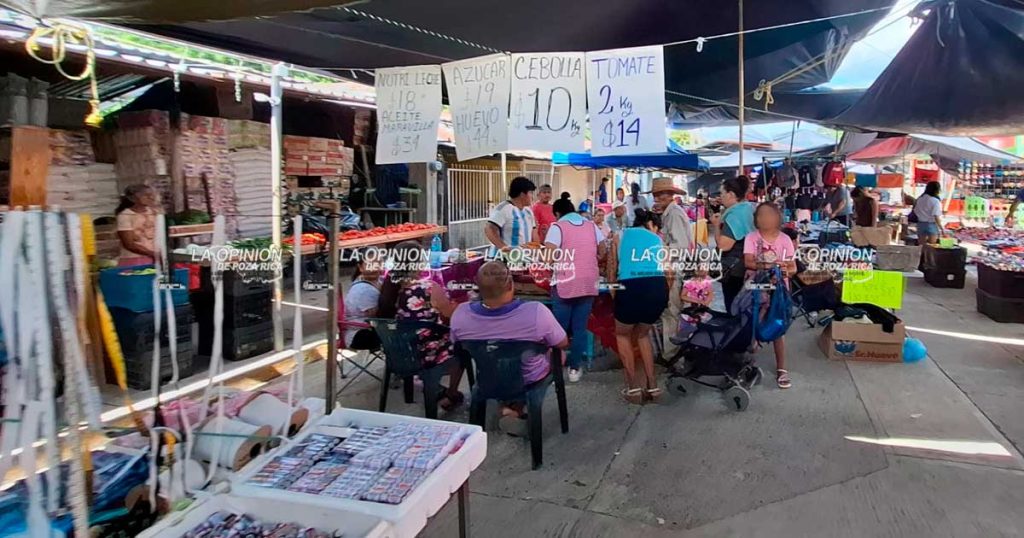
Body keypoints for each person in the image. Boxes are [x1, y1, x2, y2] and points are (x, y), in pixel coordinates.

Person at [449, 261, 568, 436]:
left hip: (487, 378)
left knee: (498, 359)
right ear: (511, 284)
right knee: (559, 354)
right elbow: (562, 342)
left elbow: (457, 346)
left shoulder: (461, 314)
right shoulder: (536, 312)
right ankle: (516, 408)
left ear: (477, 286)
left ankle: (509, 407)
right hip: (528, 379)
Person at [377, 241, 466, 409]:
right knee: (463, 346)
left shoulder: (388, 288)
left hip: (398, 352)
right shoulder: (429, 288)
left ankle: (436, 390)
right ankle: (451, 394)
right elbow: (450, 314)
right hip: (426, 352)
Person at [610, 209, 667, 403]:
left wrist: (613, 292)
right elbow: (666, 270)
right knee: (643, 335)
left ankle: (633, 388)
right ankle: (653, 386)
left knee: (622, 334)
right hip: (657, 289)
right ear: (652, 225)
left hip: (631, 287)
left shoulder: (620, 235)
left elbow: (612, 269)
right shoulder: (657, 240)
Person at [544, 197, 604, 383]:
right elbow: (602, 249)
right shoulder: (591, 225)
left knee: (559, 329)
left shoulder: (557, 227)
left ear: (558, 213)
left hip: (565, 282)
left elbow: (549, 257)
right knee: (580, 328)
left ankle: (555, 367)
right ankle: (574, 369)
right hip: (588, 283)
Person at [744, 203, 797, 389]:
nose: (765, 219)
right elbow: (748, 262)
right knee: (752, 322)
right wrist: (769, 266)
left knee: (778, 328)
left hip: (779, 291)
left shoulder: (785, 240)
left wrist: (784, 269)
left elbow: (793, 267)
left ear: (778, 217)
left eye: (769, 214)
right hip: (756, 288)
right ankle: (748, 361)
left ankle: (782, 368)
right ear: (756, 219)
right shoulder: (751, 238)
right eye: (761, 215)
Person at [648, 177, 693, 361]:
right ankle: (672, 353)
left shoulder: (674, 214)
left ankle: (671, 355)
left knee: (671, 313)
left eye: (662, 194)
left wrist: (658, 249)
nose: (658, 198)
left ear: (671, 195)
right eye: (656, 194)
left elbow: (681, 246)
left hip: (674, 269)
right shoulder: (669, 213)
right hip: (672, 267)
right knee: (670, 313)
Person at [710, 176, 756, 311]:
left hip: (735, 269)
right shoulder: (749, 208)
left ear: (731, 194)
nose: (721, 197)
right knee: (746, 305)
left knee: (734, 306)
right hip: (749, 265)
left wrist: (716, 226)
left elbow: (724, 246)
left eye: (722, 193)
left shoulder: (735, 215)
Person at [486, 176, 538, 256]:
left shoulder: (528, 211)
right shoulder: (503, 208)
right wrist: (504, 249)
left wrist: (536, 250)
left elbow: (534, 233)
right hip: (505, 260)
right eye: (530, 193)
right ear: (522, 194)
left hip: (525, 258)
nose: (532, 197)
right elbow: (489, 229)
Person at [343, 248, 381, 350]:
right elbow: (378, 317)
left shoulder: (377, 281)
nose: (374, 268)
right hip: (359, 335)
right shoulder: (364, 290)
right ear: (360, 267)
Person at [116, 184, 159, 266]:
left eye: (151, 195)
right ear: (133, 198)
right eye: (146, 195)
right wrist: (152, 253)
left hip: (155, 257)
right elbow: (129, 244)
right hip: (134, 259)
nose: (151, 198)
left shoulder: (154, 212)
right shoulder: (125, 215)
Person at [913, 181, 944, 245]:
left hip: (920, 224)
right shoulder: (935, 201)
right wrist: (941, 228)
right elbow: (936, 217)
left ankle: (922, 255)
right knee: (932, 246)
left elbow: (915, 211)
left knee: (921, 246)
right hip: (931, 224)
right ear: (937, 190)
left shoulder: (920, 199)